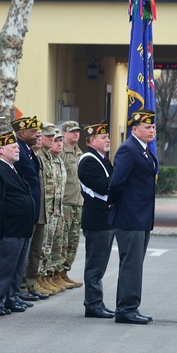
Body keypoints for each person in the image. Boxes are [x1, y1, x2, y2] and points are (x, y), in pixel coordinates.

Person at [107, 110, 158, 324]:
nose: (151, 130)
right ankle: (126, 309)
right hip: (130, 216)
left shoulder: (144, 149)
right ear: (134, 129)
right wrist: (113, 200)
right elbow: (117, 181)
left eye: (153, 127)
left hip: (141, 217)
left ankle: (131, 306)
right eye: (147, 127)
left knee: (135, 264)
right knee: (131, 264)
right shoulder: (129, 149)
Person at [0, 131, 36, 315]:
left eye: (17, 146)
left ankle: (11, 296)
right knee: (5, 267)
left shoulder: (13, 168)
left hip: (22, 227)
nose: (17, 149)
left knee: (17, 267)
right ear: (2, 150)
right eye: (13, 147)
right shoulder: (0, 168)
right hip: (11, 227)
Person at [77, 123, 116, 319]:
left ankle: (97, 302)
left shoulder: (102, 159)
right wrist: (120, 175)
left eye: (108, 137)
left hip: (106, 219)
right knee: (94, 266)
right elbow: (102, 187)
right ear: (92, 141)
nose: (107, 140)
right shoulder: (88, 161)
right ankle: (92, 305)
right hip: (97, 219)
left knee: (100, 266)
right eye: (103, 137)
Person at [11, 116, 47, 301]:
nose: (36, 135)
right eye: (32, 132)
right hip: (23, 211)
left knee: (28, 252)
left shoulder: (29, 152)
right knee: (18, 255)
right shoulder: (19, 151)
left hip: (32, 209)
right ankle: (17, 290)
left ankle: (20, 289)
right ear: (21, 133)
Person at [38, 128, 67, 295]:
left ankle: (48, 276)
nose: (55, 141)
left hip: (56, 209)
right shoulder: (41, 158)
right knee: (43, 246)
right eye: (50, 137)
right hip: (46, 210)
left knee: (53, 245)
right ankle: (38, 278)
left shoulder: (55, 159)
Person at [56, 121, 84, 289]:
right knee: (62, 240)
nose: (76, 134)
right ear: (64, 133)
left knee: (73, 241)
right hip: (65, 202)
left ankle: (65, 272)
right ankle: (56, 273)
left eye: (77, 131)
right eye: (72, 131)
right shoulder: (61, 152)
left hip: (77, 202)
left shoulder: (78, 153)